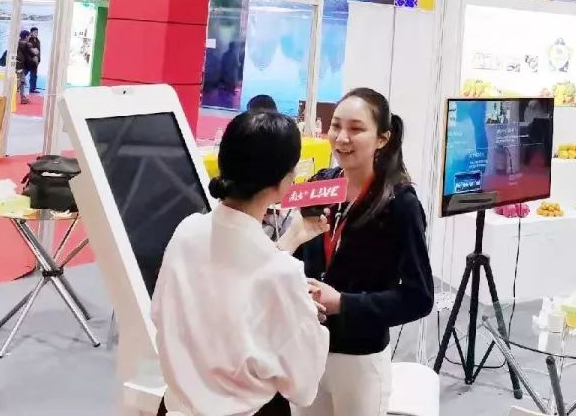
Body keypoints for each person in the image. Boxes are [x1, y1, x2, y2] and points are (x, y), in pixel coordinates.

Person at [152, 111, 330, 416]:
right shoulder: (282, 273)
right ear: (286, 181)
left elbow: (162, 314)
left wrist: (290, 243)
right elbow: (302, 385)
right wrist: (307, 316)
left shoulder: (187, 231)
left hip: (173, 405)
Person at [296, 88, 434, 416]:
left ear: (382, 138)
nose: (342, 137)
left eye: (356, 129)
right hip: (306, 348)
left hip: (359, 359)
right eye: (336, 126)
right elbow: (297, 255)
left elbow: (419, 297)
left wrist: (343, 303)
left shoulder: (400, 204)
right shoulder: (320, 185)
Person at [15, 30, 32, 104]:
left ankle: (23, 98)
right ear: (26, 36)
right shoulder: (24, 44)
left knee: (22, 81)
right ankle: (11, 96)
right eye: (29, 36)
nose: (29, 38)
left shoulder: (18, 43)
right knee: (18, 82)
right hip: (19, 65)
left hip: (19, 65)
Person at [26, 27, 41, 94]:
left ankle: (32, 89)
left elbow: (39, 51)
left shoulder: (38, 40)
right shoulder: (28, 40)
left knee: (34, 75)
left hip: (35, 62)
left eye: (37, 32)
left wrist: (38, 60)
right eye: (35, 32)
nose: (36, 33)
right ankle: (16, 87)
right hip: (28, 61)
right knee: (23, 74)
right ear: (31, 33)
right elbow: (27, 50)